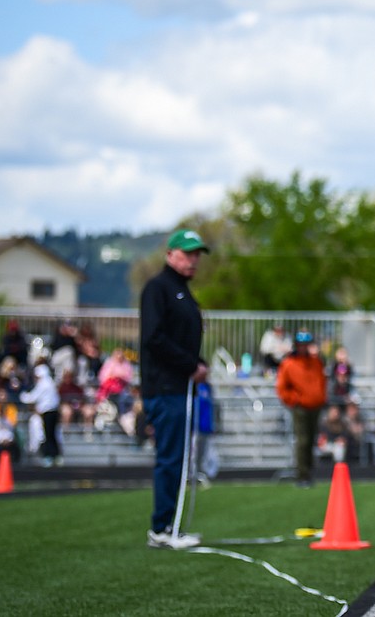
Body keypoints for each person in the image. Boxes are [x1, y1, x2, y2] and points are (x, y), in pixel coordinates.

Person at [140, 228, 211, 550]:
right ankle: (162, 527)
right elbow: (154, 338)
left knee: (178, 457)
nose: (193, 260)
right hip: (167, 386)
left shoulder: (180, 290)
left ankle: (171, 525)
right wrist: (190, 366)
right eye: (187, 253)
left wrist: (198, 363)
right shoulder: (159, 288)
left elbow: (179, 339)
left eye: (196, 254)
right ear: (170, 255)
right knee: (170, 458)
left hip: (179, 385)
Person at [275, 330, 328, 488]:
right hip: (301, 407)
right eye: (301, 345)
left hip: (316, 405)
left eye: (306, 345)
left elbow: (321, 381)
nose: (304, 348)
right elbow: (282, 387)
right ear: (297, 346)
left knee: (312, 440)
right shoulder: (289, 364)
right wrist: (294, 400)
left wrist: (321, 397)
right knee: (302, 440)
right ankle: (302, 475)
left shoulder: (316, 361)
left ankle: (309, 472)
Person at [19, 362, 62, 466]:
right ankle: (56, 455)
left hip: (47, 412)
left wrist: (22, 396)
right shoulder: (51, 383)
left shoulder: (43, 383)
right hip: (54, 411)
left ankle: (49, 456)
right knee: (53, 434)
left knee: (47, 434)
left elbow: (33, 397)